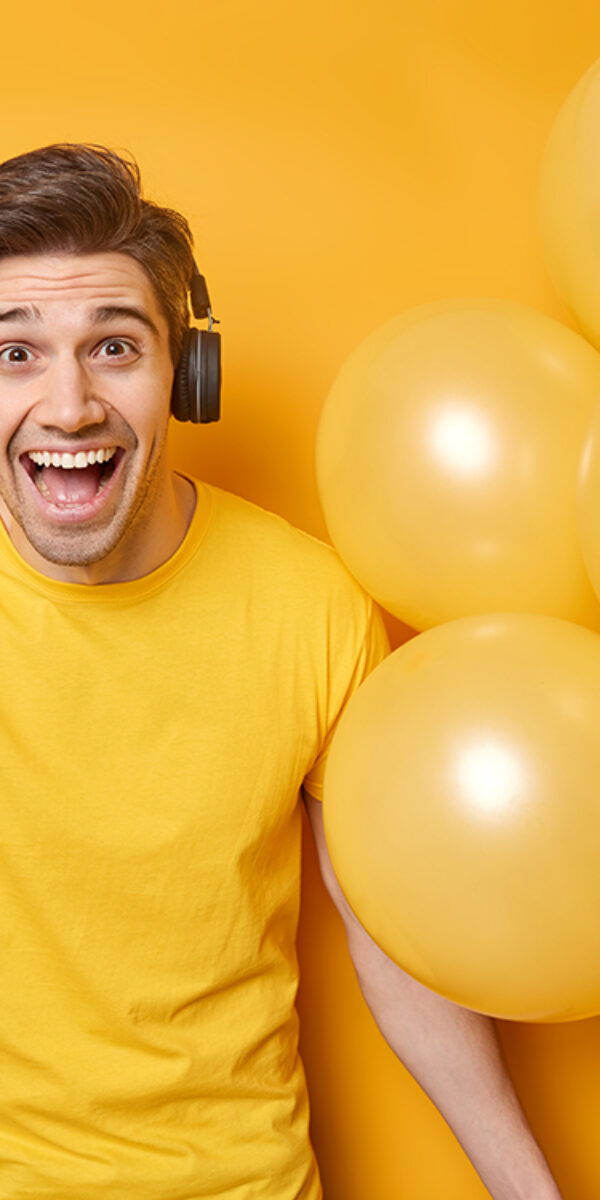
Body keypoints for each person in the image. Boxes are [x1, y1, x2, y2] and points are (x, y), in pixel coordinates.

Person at [0, 143, 563, 1200]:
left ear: (188, 373)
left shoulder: (310, 608)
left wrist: (528, 1189)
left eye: (114, 346)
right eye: (14, 353)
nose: (68, 405)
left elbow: (398, 937)